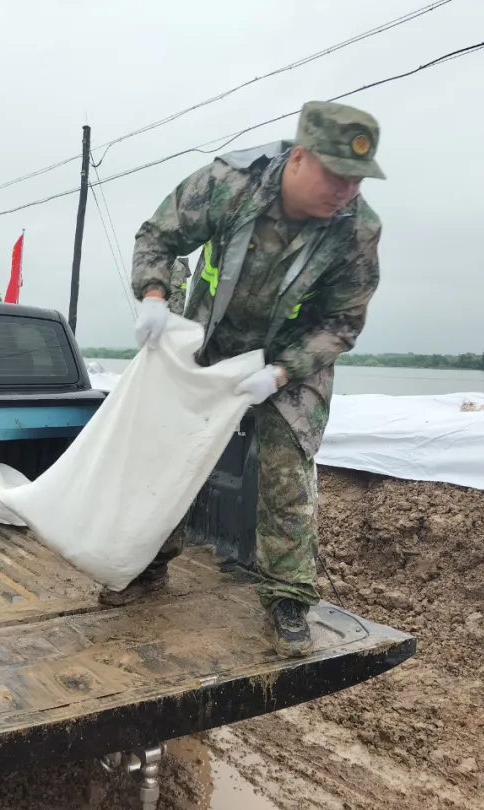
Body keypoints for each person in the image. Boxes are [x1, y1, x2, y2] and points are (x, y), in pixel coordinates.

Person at [123, 100, 385, 657]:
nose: (345, 190)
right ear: (299, 156)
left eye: (356, 179)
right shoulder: (230, 183)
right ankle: (148, 565)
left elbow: (342, 321)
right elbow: (159, 236)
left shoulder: (357, 230)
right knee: (174, 453)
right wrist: (152, 294)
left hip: (290, 358)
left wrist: (283, 370)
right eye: (335, 174)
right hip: (212, 339)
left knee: (288, 467)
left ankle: (288, 598)